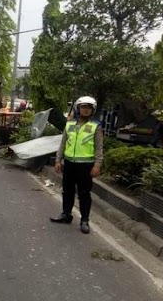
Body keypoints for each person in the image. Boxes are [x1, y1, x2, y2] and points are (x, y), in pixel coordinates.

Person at [50, 96, 104, 234]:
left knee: (84, 194)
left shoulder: (95, 126)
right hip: (69, 164)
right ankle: (66, 214)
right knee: (67, 191)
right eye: (83, 107)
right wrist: (58, 160)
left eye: (89, 108)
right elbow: (63, 143)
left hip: (86, 166)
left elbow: (99, 148)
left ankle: (84, 220)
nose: (85, 110)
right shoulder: (69, 124)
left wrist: (97, 165)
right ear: (78, 108)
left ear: (93, 110)